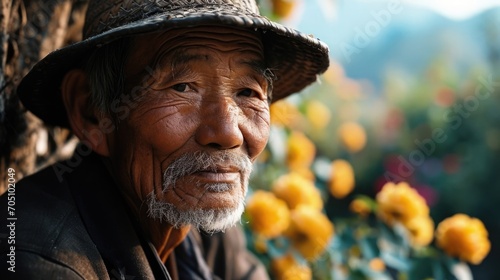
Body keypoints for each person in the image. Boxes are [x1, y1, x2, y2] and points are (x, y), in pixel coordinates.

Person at [0, 0, 329, 279]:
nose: (228, 133)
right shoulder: (40, 261)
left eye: (247, 92)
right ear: (92, 112)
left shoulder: (198, 222)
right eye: (183, 87)